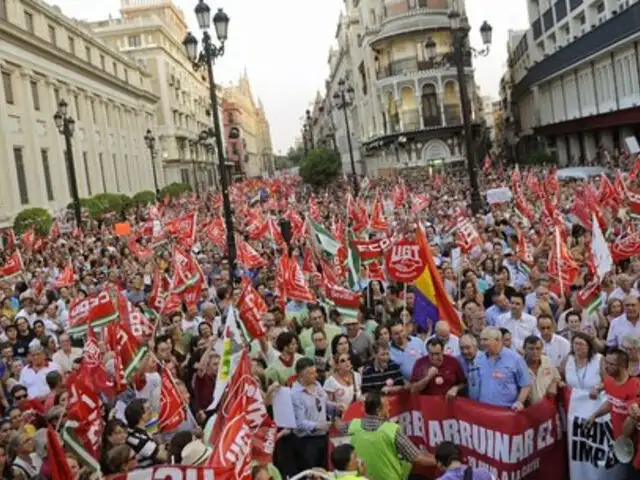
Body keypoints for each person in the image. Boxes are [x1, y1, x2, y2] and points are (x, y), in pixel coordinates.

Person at [343, 392, 435, 480]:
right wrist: (441, 462)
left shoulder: (352, 425)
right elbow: (417, 458)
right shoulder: (391, 430)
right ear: (378, 410)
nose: (390, 408)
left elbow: (338, 428)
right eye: (387, 405)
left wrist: (335, 417)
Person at [291, 357, 339, 472]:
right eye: (311, 373)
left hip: (323, 437)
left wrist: (335, 406)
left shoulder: (317, 385)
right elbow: (299, 422)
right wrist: (318, 425)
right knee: (312, 473)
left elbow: (324, 402)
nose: (315, 375)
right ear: (301, 375)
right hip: (307, 442)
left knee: (325, 471)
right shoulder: (295, 395)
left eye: (315, 372)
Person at [586, 348, 640, 439]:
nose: (606, 367)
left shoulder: (635, 386)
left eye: (611, 364)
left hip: (633, 439)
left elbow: (632, 418)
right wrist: (594, 415)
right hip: (618, 436)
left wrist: (623, 439)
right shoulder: (609, 381)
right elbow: (612, 402)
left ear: (622, 365)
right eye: (606, 363)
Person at [477, 327, 531, 410]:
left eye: (485, 340)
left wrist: (520, 402)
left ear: (497, 340)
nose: (482, 343)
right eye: (481, 340)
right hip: (484, 411)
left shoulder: (515, 359)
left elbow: (526, 384)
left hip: (506, 412)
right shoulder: (479, 359)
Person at [522, 335, 561, 404]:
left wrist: (553, 383)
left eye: (538, 348)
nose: (535, 352)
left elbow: (556, 377)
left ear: (542, 349)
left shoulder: (547, 361)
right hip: (527, 409)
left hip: (548, 406)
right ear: (524, 349)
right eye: (531, 349)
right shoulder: (518, 365)